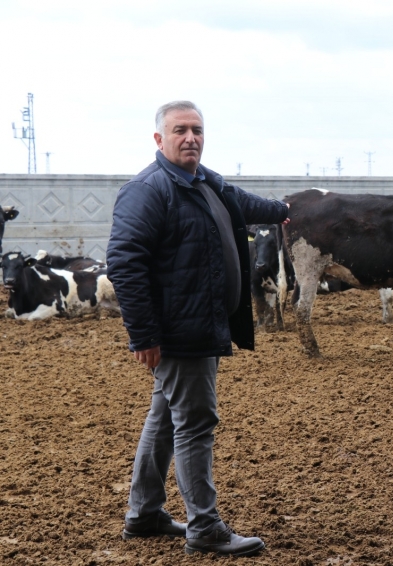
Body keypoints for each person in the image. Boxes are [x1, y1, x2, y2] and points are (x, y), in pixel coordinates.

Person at [107, 100, 290, 557]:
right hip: (179, 330)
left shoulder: (204, 181)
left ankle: (144, 513)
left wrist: (287, 208)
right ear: (159, 139)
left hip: (202, 323)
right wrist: (144, 334)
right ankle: (205, 527)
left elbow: (243, 204)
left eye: (197, 130)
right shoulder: (149, 190)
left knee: (166, 418)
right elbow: (125, 264)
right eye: (180, 130)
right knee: (195, 422)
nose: (191, 138)